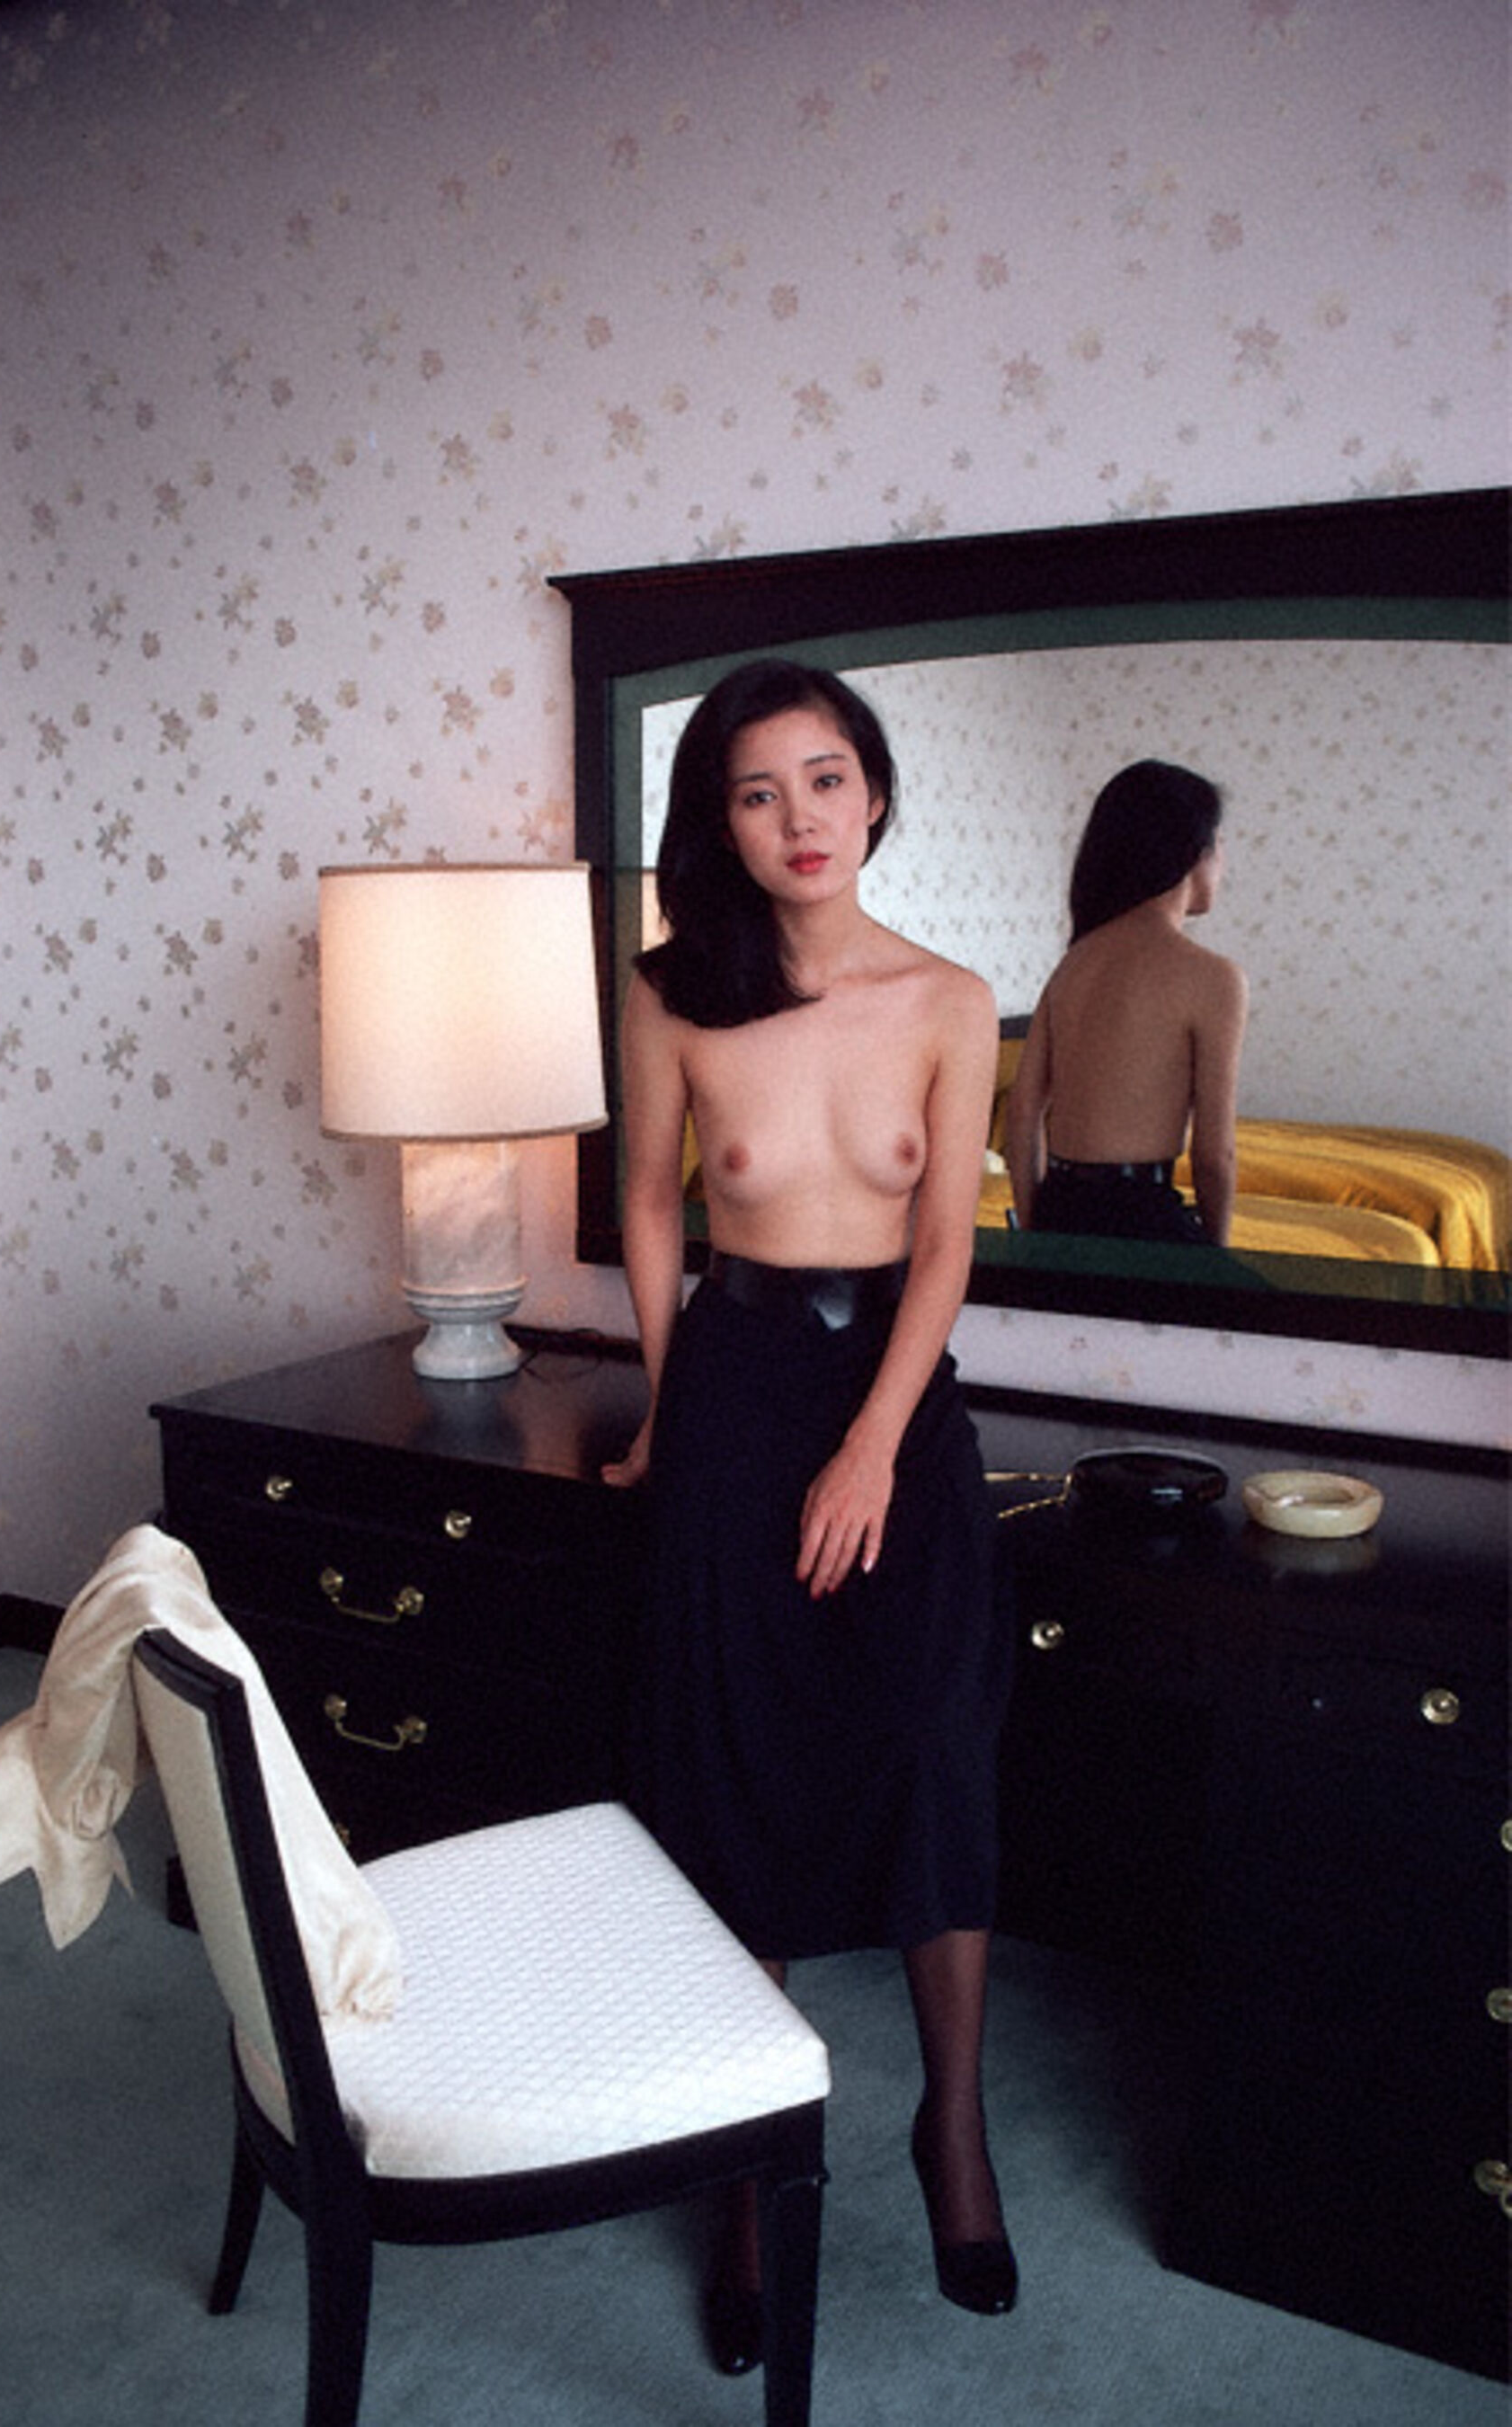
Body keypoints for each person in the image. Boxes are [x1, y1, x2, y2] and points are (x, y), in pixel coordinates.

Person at [601, 657, 1017, 2373]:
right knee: (738, 1767)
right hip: (738, 1387)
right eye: (757, 790)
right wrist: (672, 1407)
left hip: (896, 1400)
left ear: (875, 792)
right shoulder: (673, 994)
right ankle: (756, 2163)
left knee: (933, 1747)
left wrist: (871, 1449)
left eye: (826, 778)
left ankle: (953, 2127)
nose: (798, 819)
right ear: (720, 818)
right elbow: (648, 1205)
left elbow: (948, 1246)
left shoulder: (951, 998)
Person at [1003, 759, 1249, 1245]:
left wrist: (1033, 1233)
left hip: (1061, 1206)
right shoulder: (1214, 977)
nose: (1224, 863)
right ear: (1195, 853)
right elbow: (1214, 1155)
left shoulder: (1074, 964)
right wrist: (1216, 1261)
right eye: (1220, 844)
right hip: (1141, 1218)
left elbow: (1022, 1114)